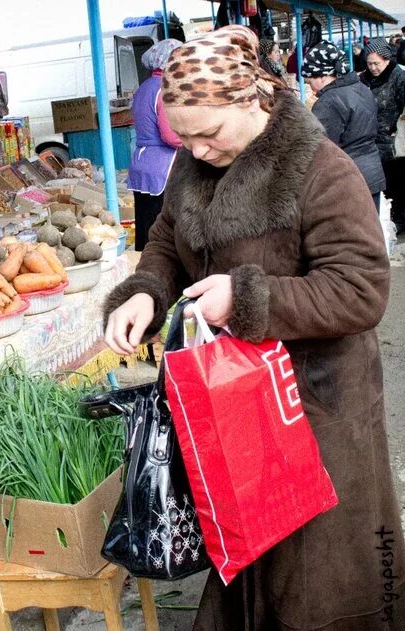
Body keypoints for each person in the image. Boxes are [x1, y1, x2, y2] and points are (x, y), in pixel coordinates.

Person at [104, 25, 404, 628]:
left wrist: (243, 299)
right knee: (246, 545)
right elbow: (166, 241)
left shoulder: (321, 168)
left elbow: (361, 289)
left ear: (251, 100)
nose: (197, 150)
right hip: (233, 402)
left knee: (320, 574)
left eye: (208, 134)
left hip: (315, 405)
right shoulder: (195, 164)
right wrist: (144, 293)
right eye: (183, 139)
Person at [302, 41, 385, 206]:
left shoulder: (328, 101)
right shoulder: (361, 87)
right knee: (370, 230)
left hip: (348, 179)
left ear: (324, 75)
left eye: (310, 80)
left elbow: (321, 146)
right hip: (373, 172)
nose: (310, 86)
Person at [127, 39, 183, 251]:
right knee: (161, 234)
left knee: (144, 227)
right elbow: (170, 136)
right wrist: (192, 139)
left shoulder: (144, 88)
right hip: (162, 166)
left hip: (141, 162)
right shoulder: (164, 90)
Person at [360, 39, 405, 232]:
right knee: (382, 184)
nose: (373, 68)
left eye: (376, 63)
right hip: (373, 141)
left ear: (387, 60)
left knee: (398, 182)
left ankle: (401, 217)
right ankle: (388, 219)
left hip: (395, 142)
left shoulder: (399, 77)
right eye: (369, 64)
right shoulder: (364, 79)